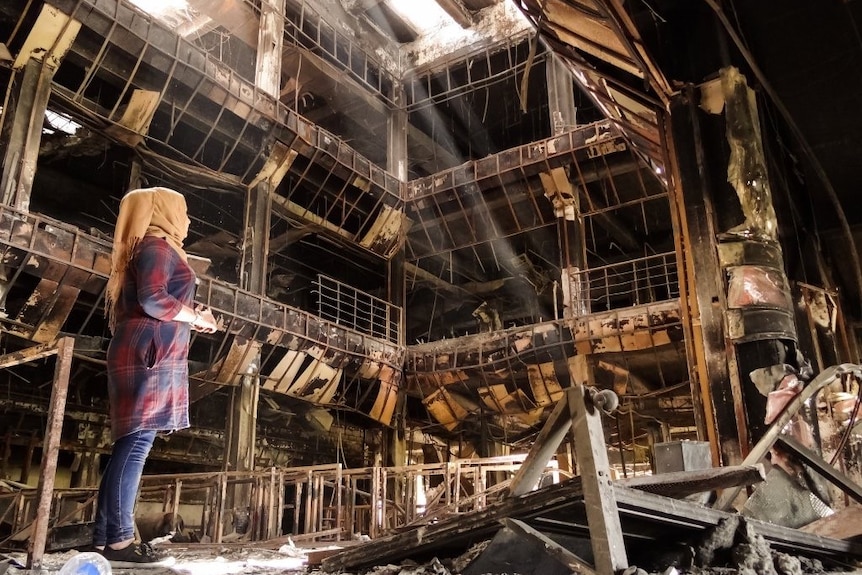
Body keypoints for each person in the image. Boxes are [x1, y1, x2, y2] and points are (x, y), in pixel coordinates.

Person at [93, 187, 217, 565]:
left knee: (130, 445)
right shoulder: (157, 247)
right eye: (184, 211)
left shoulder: (150, 248)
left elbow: (158, 302)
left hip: (144, 348)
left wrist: (195, 318)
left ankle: (104, 538)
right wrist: (195, 316)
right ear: (165, 212)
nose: (189, 220)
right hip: (147, 353)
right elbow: (152, 300)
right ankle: (118, 541)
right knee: (136, 445)